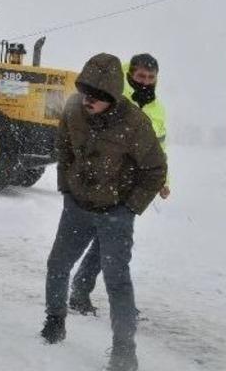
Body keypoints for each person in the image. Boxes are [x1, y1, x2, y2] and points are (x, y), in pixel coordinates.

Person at [40, 53, 166, 371]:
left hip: (115, 213)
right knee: (58, 264)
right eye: (85, 92)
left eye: (95, 96)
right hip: (78, 207)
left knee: (116, 281)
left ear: (112, 95)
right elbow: (63, 147)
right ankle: (55, 320)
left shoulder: (136, 123)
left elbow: (155, 170)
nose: (87, 101)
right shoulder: (73, 109)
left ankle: (124, 351)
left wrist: (129, 209)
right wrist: (66, 189)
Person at [69, 53, 169, 315]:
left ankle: (82, 289)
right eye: (140, 76)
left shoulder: (157, 109)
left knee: (109, 242)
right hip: (106, 180)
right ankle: (113, 303)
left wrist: (163, 180)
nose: (146, 82)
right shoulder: (112, 96)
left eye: (150, 77)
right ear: (129, 75)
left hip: (133, 184)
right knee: (113, 243)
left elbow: (159, 148)